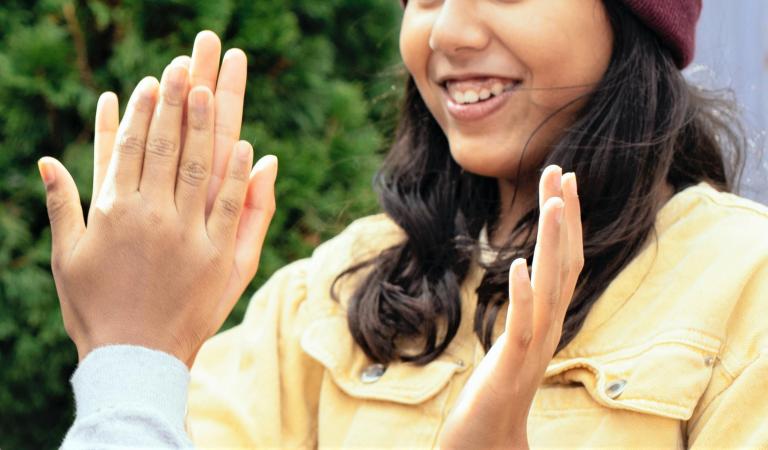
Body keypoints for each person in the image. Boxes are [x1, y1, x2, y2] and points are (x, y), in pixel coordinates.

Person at [42, 0, 768, 448]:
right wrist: (137, 353)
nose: (447, 30)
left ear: (634, 15)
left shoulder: (744, 284)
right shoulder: (329, 290)